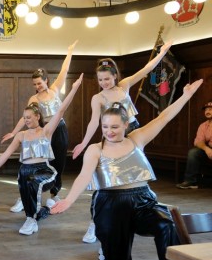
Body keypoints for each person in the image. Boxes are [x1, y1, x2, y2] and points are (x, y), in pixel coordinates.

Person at [51, 79, 204, 260]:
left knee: (168, 225)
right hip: (110, 205)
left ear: (126, 124)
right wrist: (68, 201)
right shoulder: (96, 149)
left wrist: (185, 96)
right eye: (105, 127)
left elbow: (164, 117)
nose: (109, 131)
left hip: (143, 201)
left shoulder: (137, 139)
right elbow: (84, 176)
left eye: (115, 127)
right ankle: (107, 251)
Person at [72, 41, 173, 243]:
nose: (104, 82)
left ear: (115, 76)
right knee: (105, 182)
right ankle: (95, 223)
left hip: (133, 131)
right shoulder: (98, 98)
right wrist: (83, 143)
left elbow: (147, 69)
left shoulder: (124, 85)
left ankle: (141, 210)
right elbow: (94, 122)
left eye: (107, 79)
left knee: (133, 177)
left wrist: (162, 52)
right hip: (112, 135)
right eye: (100, 79)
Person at [0, 75, 83, 235]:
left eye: (29, 117)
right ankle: (39, 213)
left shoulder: (46, 131)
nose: (26, 120)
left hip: (44, 170)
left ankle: (31, 220)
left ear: (37, 116)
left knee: (32, 183)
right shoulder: (21, 135)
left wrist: (74, 88)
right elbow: (6, 154)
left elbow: (61, 109)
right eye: (24, 118)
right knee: (26, 185)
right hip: (25, 170)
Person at [2, 41, 78, 214]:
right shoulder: (33, 99)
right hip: (44, 132)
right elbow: (26, 117)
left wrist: (70, 51)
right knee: (41, 164)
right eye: (34, 84)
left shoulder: (55, 89)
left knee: (59, 162)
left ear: (46, 80)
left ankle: (54, 195)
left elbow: (65, 70)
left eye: (39, 83)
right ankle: (25, 197)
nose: (37, 87)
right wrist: (14, 132)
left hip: (60, 130)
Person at [176, 100, 212, 189]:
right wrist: (207, 149)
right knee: (193, 152)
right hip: (209, 149)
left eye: (210, 109)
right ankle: (191, 181)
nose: (207, 111)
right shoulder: (203, 125)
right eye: (206, 109)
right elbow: (198, 141)